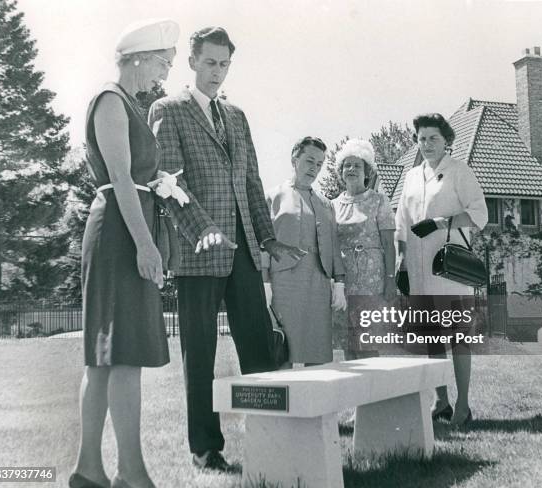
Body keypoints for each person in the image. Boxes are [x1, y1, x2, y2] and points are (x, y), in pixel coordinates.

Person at [148, 27, 303, 471]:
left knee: (257, 347)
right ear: (192, 62)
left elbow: (251, 182)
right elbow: (167, 180)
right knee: (200, 355)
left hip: (245, 253)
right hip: (198, 253)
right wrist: (202, 229)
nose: (217, 72)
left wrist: (268, 238)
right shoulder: (168, 110)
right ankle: (205, 447)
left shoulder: (236, 116)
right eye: (210, 62)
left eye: (224, 64)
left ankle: (271, 437)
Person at [71, 19, 180, 488]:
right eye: (163, 62)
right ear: (138, 57)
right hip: (119, 230)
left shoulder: (130, 105)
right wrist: (146, 243)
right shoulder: (111, 101)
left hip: (121, 225)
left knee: (105, 357)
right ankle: (130, 472)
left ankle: (89, 471)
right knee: (121, 355)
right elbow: (119, 177)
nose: (165, 72)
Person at [394, 113, 488, 426]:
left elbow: (480, 213)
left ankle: (463, 405)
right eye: (421, 139)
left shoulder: (459, 171)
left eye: (433, 138)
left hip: (451, 268)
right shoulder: (411, 176)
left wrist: (442, 222)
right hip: (420, 269)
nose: (427, 144)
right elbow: (402, 224)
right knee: (431, 337)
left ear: (446, 140)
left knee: (459, 338)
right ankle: (441, 402)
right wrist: (402, 261)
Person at [264, 137, 347, 366]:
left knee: (318, 350)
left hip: (318, 281)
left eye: (320, 164)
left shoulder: (325, 203)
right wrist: (264, 282)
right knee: (283, 347)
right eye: (310, 161)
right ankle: (284, 399)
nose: (315, 168)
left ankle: (316, 401)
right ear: (294, 158)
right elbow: (262, 242)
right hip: (284, 281)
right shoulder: (273, 196)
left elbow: (333, 244)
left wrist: (339, 283)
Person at [332, 139, 397, 359]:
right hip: (344, 280)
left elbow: (389, 243)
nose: (351, 169)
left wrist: (390, 279)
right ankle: (353, 392)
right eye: (346, 165)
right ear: (341, 171)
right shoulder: (333, 205)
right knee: (348, 340)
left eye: (357, 165)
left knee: (368, 340)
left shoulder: (379, 200)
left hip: (372, 280)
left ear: (366, 171)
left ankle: (374, 392)